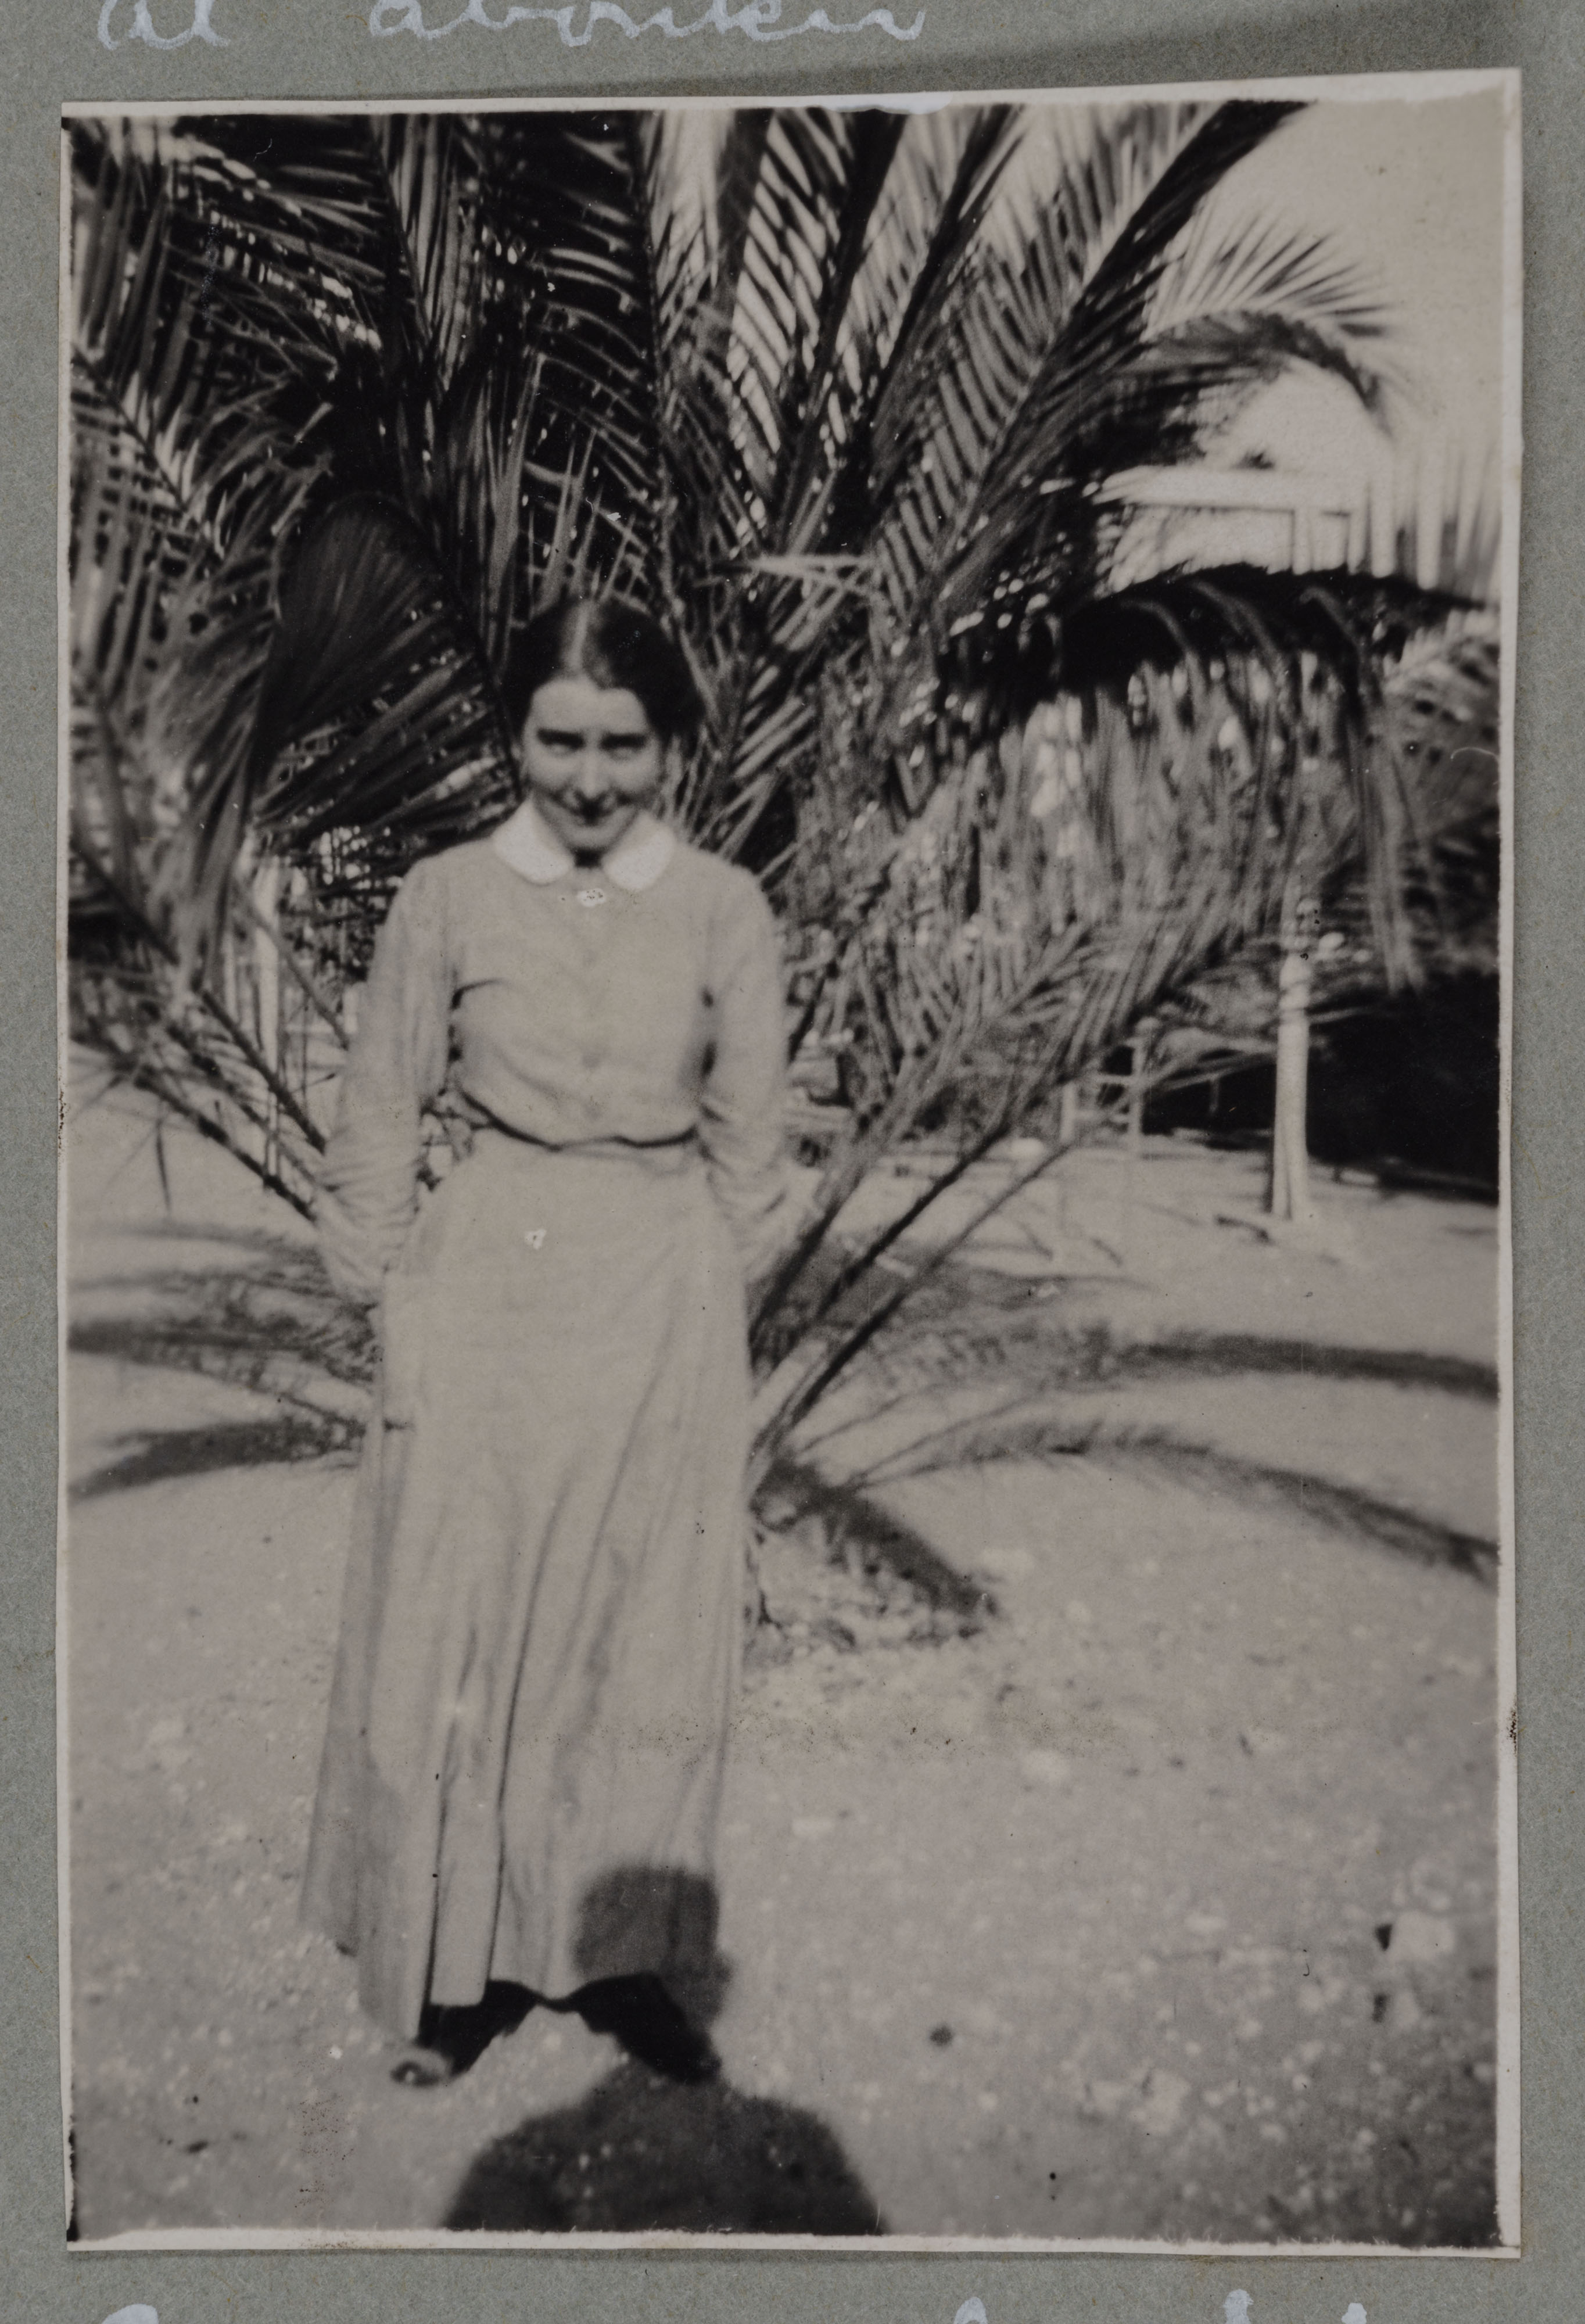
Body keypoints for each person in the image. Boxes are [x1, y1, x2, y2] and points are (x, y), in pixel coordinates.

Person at [300, 598, 790, 2088]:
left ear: (670, 746)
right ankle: (455, 1977)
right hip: (484, 1291)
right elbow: (383, 1100)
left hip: (656, 1305)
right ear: (512, 735)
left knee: (633, 1629)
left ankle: (617, 1963)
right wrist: (384, 1289)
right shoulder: (445, 894)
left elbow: (748, 1147)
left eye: (622, 745)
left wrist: (704, 1295)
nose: (588, 777)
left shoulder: (723, 909)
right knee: (460, 1624)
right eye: (557, 740)